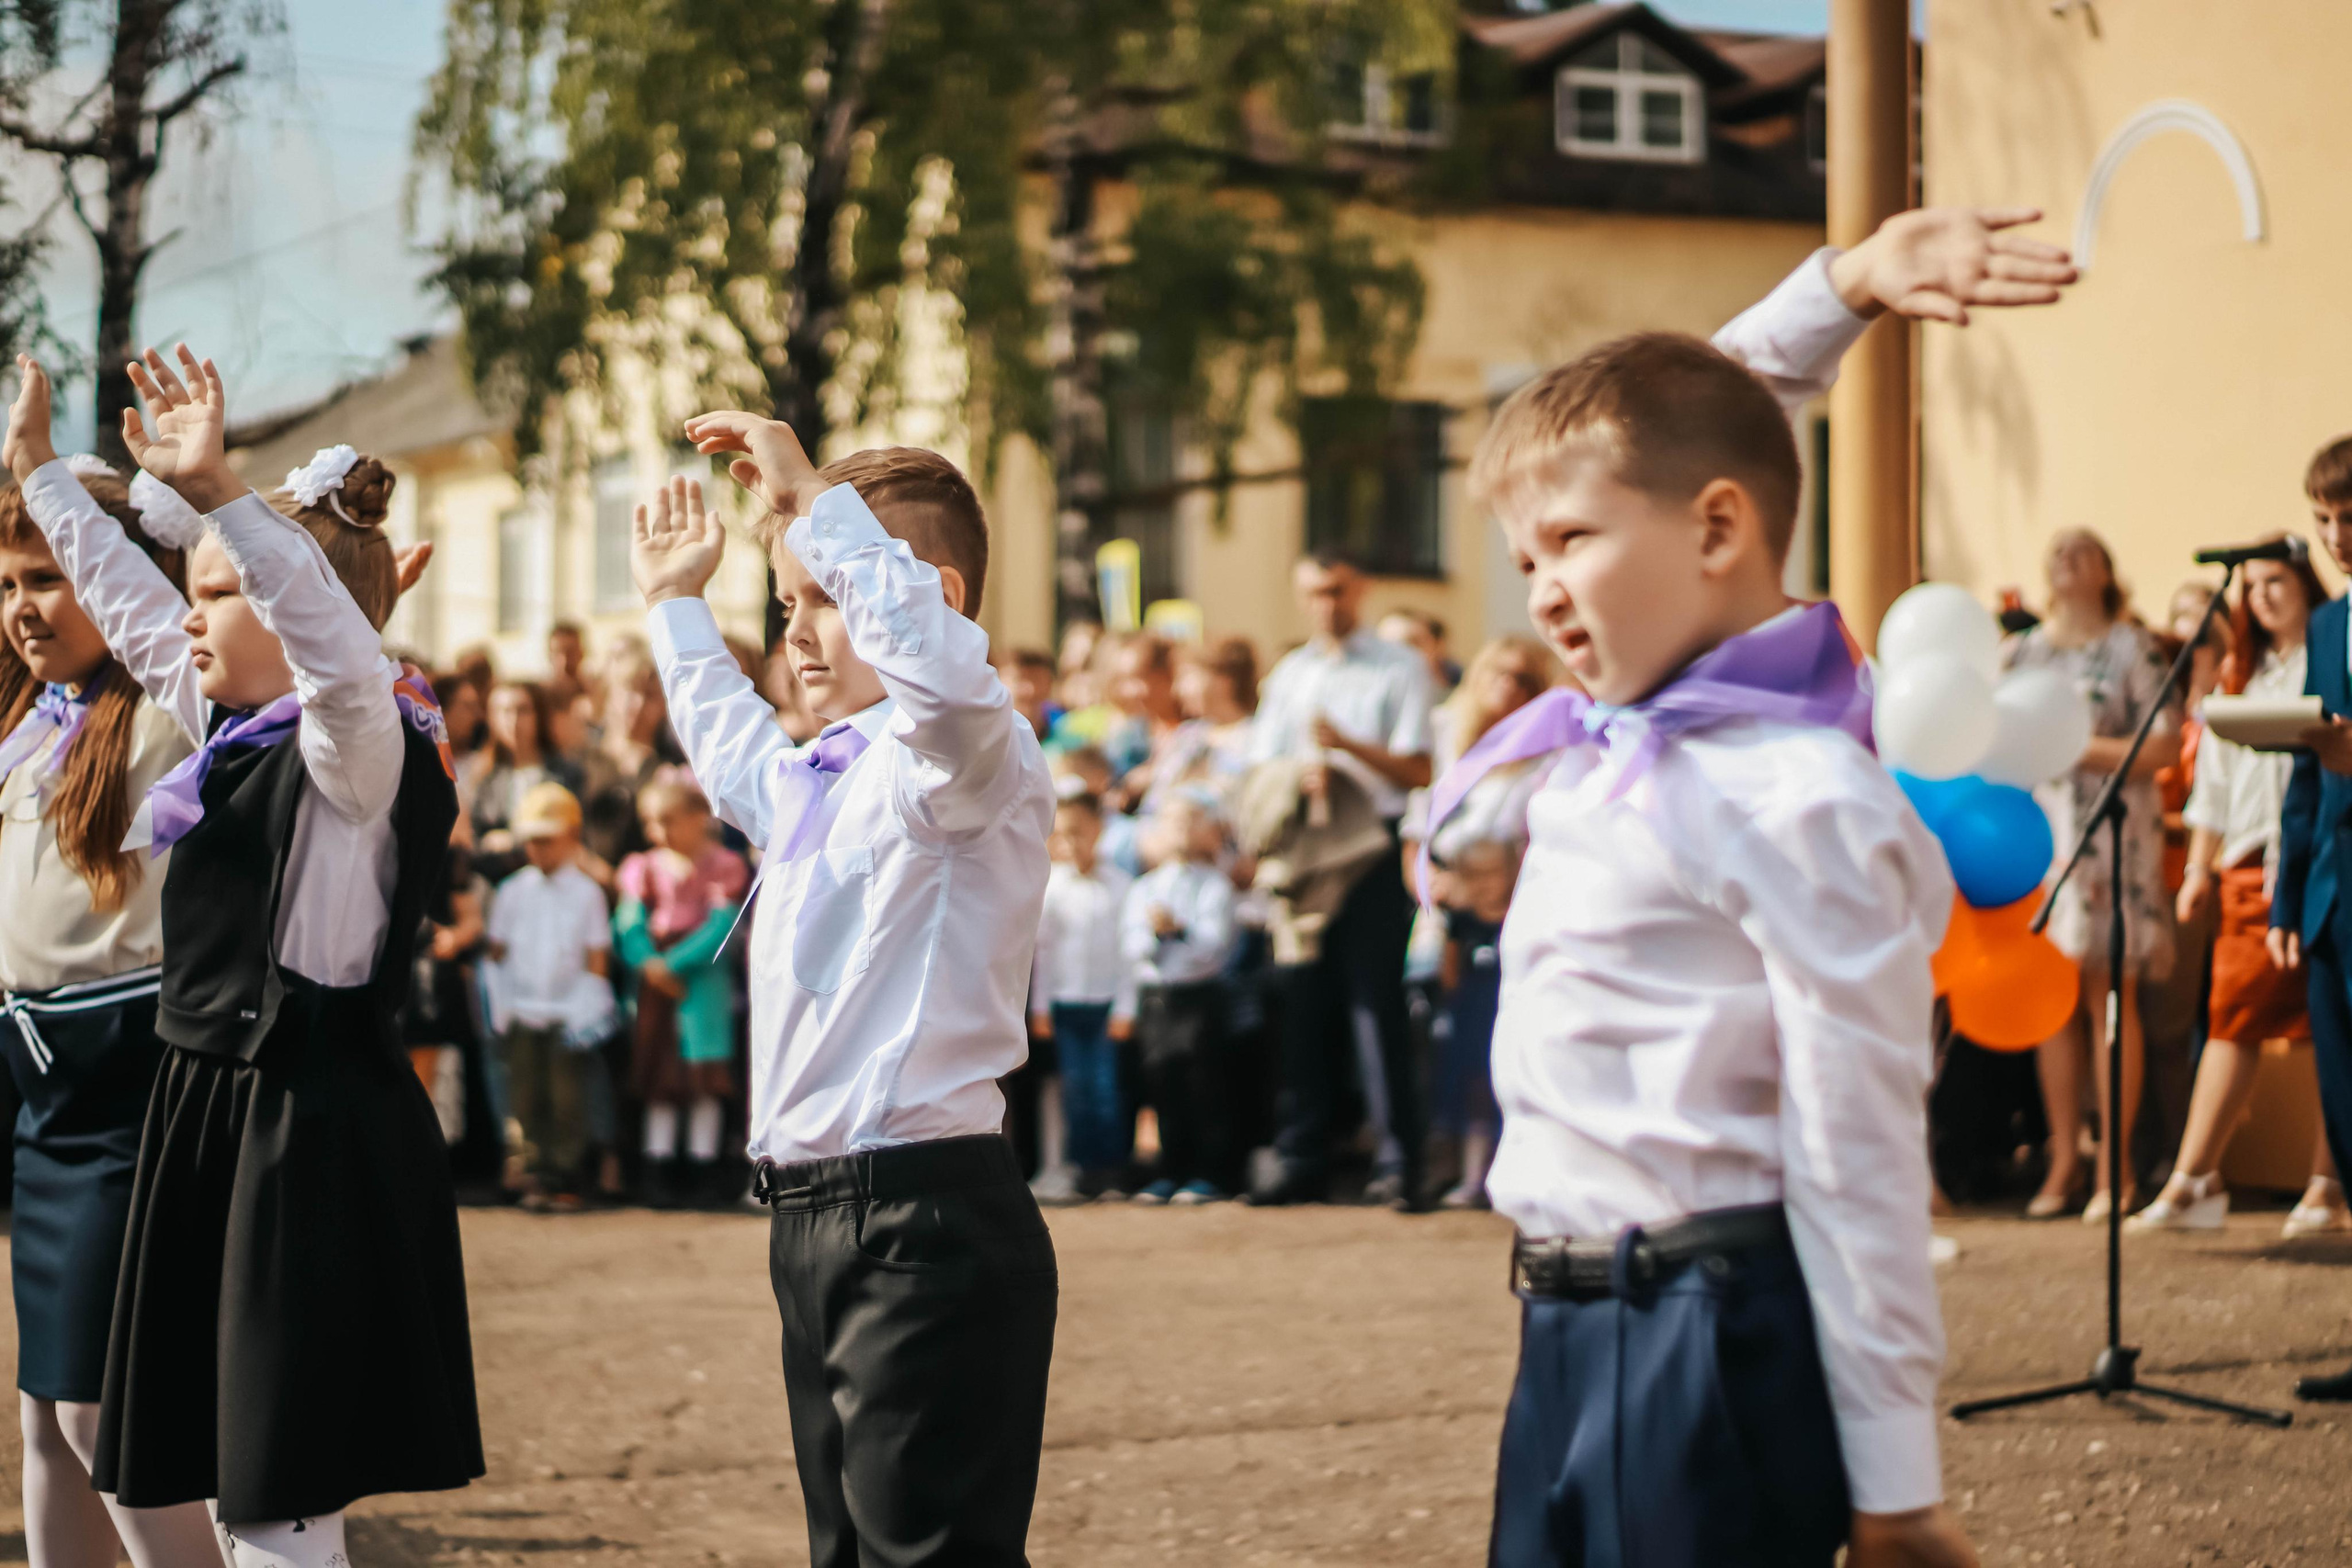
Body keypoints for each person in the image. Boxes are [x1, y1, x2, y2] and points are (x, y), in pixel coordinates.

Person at [1438, 206, 2077, 1568]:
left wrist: (1896, 1482)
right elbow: (1675, 434)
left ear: (1721, 529)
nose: (1542, 590)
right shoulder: (1617, 747)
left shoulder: (1795, 793)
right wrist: (1842, 286)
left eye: (1567, 544)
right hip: (1562, 1325)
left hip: (1703, 1331)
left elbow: (1857, 1143)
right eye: (1525, 559)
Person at [19, 347, 482, 1562]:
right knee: (200, 1454)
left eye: (218, 589)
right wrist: (41, 479)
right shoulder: (234, 726)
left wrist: (225, 491)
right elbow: (126, 596)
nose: (186, 612)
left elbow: (335, 647)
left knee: (277, 1488)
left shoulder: (356, 743)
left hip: (301, 1122)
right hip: (202, 1109)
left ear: (289, 608)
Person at [638, 416, 1057, 1566]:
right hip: (816, 1218)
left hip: (923, 1222)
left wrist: (823, 506)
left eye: (824, 596)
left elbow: (948, 693)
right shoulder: (824, 778)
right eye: (786, 606)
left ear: (935, 598)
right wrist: (679, 605)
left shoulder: (965, 761)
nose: (800, 633)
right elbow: (730, 755)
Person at [0, 441, 223, 1568]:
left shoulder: (169, 713)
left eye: (49, 576)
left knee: (101, 1415)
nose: (25, 608)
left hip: (128, 1085)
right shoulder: (32, 724)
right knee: (45, 1412)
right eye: (7, 584)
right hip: (37, 1093)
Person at [2134, 544, 2341, 1233]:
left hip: (2324, 858)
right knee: (2233, 1014)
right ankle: (2196, 1176)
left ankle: (2328, 1182)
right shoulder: (2241, 673)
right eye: (2249, 586)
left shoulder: (2331, 647)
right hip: (2253, 867)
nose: (2261, 596)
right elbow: (2212, 790)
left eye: (2274, 580)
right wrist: (2198, 870)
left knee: (2333, 1024)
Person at [1245, 550, 1436, 1209]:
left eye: (1338, 590)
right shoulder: (1291, 675)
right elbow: (1258, 766)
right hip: (1307, 854)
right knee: (1302, 1003)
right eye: (1316, 592)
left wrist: (1347, 748)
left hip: (1370, 853)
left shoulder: (1399, 667)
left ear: (1361, 589)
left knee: (1374, 1006)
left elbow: (1418, 766)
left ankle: (1398, 1160)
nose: (1328, 603)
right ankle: (1303, 1155)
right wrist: (1296, 775)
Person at [2006, 528, 2181, 1222]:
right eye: (2056, 549)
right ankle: (2062, 1159)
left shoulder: (2132, 647)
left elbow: (2163, 742)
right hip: (2041, 842)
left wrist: (2073, 745)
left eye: (2084, 548)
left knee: (2113, 999)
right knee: (2054, 1004)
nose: (2066, 556)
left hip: (2116, 840)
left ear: (2108, 570)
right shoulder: (2023, 652)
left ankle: (2118, 1166)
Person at [1418, 636, 1557, 1209]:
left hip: (1509, 922)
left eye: (1523, 679)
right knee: (1452, 1046)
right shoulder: (1459, 757)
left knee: (1500, 1045)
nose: (1509, 688)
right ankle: (1459, 1165)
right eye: (1498, 674)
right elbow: (1424, 835)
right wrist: (1437, 889)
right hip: (1455, 925)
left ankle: (1499, 1170)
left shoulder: (1549, 759)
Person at [2273, 434, 2352, 1404]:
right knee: (2347, 1119)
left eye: (2351, 520)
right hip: (2334, 907)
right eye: (2324, 522)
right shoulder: (2329, 630)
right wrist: (2289, 896)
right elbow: (2304, 770)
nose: (2337, 537)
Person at [615, 775, 749, 1207]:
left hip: (703, 981)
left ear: (698, 818)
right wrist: (649, 964)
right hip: (657, 985)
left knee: (704, 1076)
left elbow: (721, 926)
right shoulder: (642, 867)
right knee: (661, 1076)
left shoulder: (725, 865)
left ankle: (703, 1166)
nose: (658, 831)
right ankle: (658, 1168)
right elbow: (629, 922)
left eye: (668, 819)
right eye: (651, 821)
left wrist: (671, 965)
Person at [486, 782, 618, 1210]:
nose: (539, 850)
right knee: (525, 1094)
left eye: (548, 840)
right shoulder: (512, 891)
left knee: (567, 1098)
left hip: (567, 1012)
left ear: (572, 837)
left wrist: (588, 1007)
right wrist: (502, 1004)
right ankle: (534, 1172)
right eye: (532, 841)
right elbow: (497, 951)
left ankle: (567, 1176)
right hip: (523, 1009)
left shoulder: (587, 894)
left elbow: (596, 957)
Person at [1123, 791, 1240, 1204]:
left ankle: (1207, 1173)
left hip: (1200, 999)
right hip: (1158, 1000)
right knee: (1162, 1083)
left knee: (1203, 1084)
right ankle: (1170, 1170)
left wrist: (1177, 932)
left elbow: (1212, 949)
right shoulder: (1145, 887)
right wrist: (1160, 935)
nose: (1181, 831)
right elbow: (1134, 946)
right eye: (1172, 821)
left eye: (1191, 821)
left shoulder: (1215, 887)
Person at [1028, 790, 1137, 1201]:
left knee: (1107, 1088)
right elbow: (1044, 954)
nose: (1073, 842)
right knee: (1076, 1089)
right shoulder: (1053, 887)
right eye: (1065, 834)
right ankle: (1080, 1169)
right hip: (1066, 1004)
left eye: (1082, 832)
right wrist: (1041, 1007)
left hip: (1106, 1004)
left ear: (1099, 830)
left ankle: (1110, 1169)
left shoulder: (1122, 887)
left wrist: (1126, 1007)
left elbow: (1129, 954)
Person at [1379, 607, 1460, 695]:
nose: (1398, 653)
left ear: (1439, 645)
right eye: (1385, 646)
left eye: (1411, 643)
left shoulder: (1463, 686)